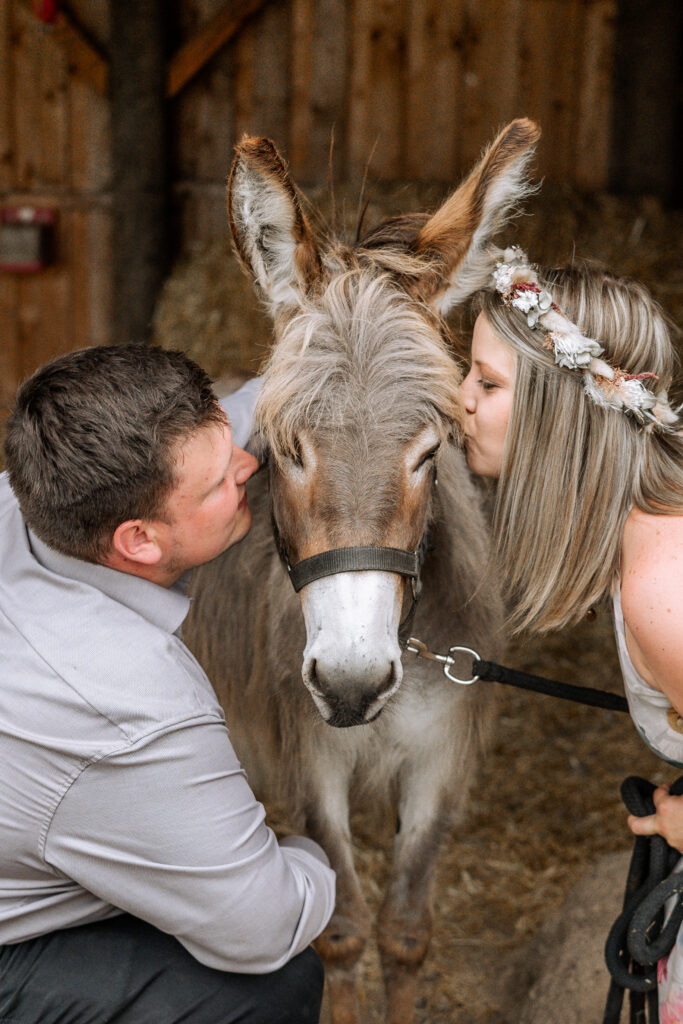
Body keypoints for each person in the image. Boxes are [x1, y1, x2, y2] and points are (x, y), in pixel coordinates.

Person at [0, 344, 335, 1024]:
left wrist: (311, 372)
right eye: (217, 485)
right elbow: (263, 926)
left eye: (227, 439)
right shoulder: (132, 708)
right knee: (268, 989)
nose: (249, 466)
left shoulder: (29, 496)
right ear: (140, 542)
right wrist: (306, 854)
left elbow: (223, 431)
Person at [459, 246, 683, 1011]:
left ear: (561, 411)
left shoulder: (662, 591)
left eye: (487, 383)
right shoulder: (648, 537)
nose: (459, 398)